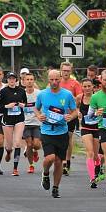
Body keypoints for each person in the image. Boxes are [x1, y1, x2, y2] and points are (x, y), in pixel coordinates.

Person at [35, 69, 78, 199]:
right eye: (51, 80)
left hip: (62, 131)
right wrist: (39, 116)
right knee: (50, 158)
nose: (54, 82)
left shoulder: (67, 94)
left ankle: (55, 188)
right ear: (48, 80)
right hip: (47, 130)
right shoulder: (42, 94)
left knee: (59, 161)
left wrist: (71, 117)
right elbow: (36, 108)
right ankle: (46, 173)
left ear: (60, 79)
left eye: (56, 79)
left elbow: (75, 111)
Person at [0, 72, 27, 176]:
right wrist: (6, 106)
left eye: (13, 78)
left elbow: (25, 103)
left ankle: (15, 168)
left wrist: (23, 105)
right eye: (10, 79)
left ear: (16, 80)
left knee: (17, 143)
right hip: (7, 120)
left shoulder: (22, 91)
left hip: (19, 119)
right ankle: (9, 152)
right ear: (7, 80)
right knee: (9, 146)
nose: (12, 80)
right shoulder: (3, 91)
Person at [78, 78, 102, 188]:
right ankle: (92, 178)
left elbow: (103, 111)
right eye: (85, 86)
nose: (87, 88)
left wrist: (98, 113)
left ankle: (98, 167)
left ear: (93, 87)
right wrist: (78, 113)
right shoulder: (79, 98)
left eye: (89, 86)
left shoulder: (98, 97)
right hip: (85, 127)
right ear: (82, 87)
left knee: (96, 156)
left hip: (97, 128)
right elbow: (74, 109)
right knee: (90, 152)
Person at [59, 62, 82, 176]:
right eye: (64, 70)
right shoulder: (56, 82)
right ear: (61, 71)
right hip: (58, 116)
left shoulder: (75, 83)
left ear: (71, 71)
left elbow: (80, 98)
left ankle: (66, 162)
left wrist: (70, 98)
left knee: (68, 138)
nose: (66, 73)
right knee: (60, 138)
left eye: (68, 71)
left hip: (70, 115)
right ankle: (61, 160)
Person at [22, 70, 42, 174]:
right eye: (27, 80)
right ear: (24, 82)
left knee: (37, 145)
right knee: (29, 144)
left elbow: (44, 105)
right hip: (25, 123)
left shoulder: (39, 94)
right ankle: (31, 165)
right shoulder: (21, 94)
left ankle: (35, 152)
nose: (29, 82)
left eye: (31, 80)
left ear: (34, 81)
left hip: (37, 122)